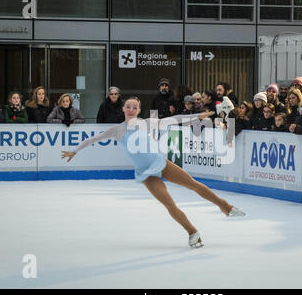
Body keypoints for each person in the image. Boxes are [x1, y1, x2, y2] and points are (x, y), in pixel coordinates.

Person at [61, 97, 245, 248]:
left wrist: (197, 115)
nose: (131, 109)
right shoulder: (117, 130)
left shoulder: (147, 123)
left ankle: (225, 207)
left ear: (139, 110)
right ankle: (192, 232)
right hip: (146, 173)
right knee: (170, 205)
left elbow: (175, 119)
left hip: (160, 163)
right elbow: (94, 139)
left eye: (135, 107)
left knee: (194, 185)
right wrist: (74, 151)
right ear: (124, 109)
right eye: (128, 106)